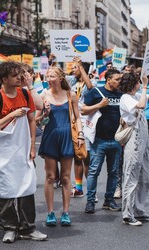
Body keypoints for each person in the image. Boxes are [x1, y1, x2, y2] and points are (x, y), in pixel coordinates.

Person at [0, 61, 47, 243]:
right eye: (15, 75)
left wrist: (32, 146)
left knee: (27, 187)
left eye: (20, 74)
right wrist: (11, 115)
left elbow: (32, 121)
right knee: (6, 189)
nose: (19, 78)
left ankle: (28, 227)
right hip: (3, 151)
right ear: (4, 79)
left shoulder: (25, 94)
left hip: (23, 149)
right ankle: (10, 227)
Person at [38, 66, 84, 226]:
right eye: (47, 76)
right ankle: (50, 213)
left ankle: (65, 212)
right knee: (50, 177)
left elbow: (78, 117)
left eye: (52, 76)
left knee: (65, 177)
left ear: (60, 78)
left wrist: (80, 135)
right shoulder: (43, 95)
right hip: (50, 136)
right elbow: (38, 121)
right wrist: (44, 113)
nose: (49, 79)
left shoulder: (71, 95)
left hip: (67, 137)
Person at [82, 69, 123, 214]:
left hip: (116, 140)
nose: (119, 82)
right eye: (117, 79)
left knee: (113, 172)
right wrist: (99, 105)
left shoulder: (121, 95)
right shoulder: (96, 92)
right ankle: (90, 202)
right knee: (94, 171)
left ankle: (109, 200)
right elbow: (83, 110)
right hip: (99, 140)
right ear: (108, 80)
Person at [119, 72, 149, 225]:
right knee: (131, 176)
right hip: (134, 139)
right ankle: (128, 213)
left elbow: (145, 99)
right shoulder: (125, 98)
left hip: (143, 140)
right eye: (138, 81)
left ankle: (139, 209)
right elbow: (142, 105)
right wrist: (144, 86)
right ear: (134, 83)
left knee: (144, 176)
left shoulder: (135, 96)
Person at [66, 57, 94, 198]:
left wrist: (81, 66)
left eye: (75, 67)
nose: (73, 70)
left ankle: (91, 190)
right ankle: (78, 188)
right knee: (77, 156)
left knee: (86, 157)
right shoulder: (72, 81)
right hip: (74, 123)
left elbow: (89, 86)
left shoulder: (91, 83)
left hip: (87, 124)